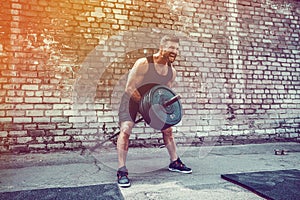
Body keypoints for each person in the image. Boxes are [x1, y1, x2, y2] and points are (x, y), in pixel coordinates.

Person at [117, 35, 192, 188]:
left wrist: (160, 109)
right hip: (133, 99)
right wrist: (147, 109)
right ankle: (122, 170)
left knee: (168, 130)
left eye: (177, 49)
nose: (175, 51)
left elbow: (165, 92)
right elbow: (130, 88)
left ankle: (174, 162)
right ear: (161, 47)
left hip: (152, 103)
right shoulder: (144, 63)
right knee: (126, 129)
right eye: (171, 48)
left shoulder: (172, 72)